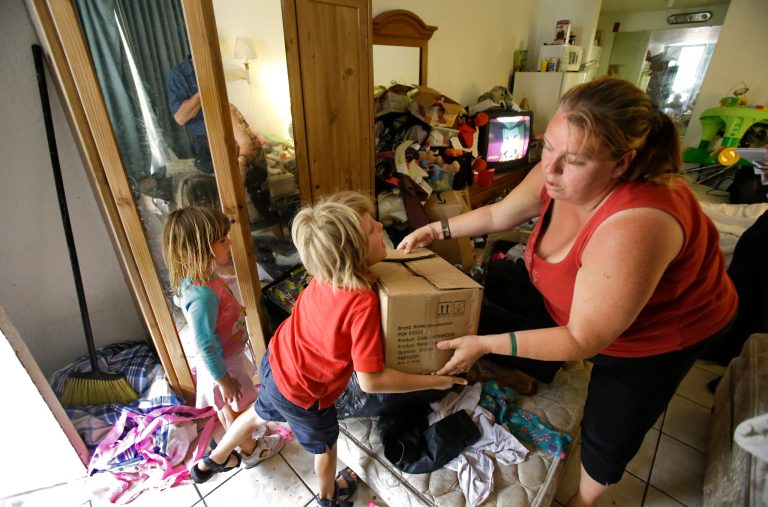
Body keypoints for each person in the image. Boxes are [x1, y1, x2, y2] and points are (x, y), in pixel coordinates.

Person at [398, 77, 737, 507]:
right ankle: (529, 375)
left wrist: (483, 345)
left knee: (612, 423)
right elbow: (503, 212)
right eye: (548, 146)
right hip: (586, 298)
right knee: (539, 305)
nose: (550, 169)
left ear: (622, 163)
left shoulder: (638, 224)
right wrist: (434, 228)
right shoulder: (558, 166)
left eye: (573, 160)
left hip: (665, 332)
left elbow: (583, 338)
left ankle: (585, 500)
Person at [187, 191, 467, 507]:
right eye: (372, 228)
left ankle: (211, 461)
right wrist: (435, 381)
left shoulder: (324, 275)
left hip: (276, 364)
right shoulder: (362, 302)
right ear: (356, 252)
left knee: (255, 415)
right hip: (305, 393)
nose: (380, 227)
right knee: (325, 449)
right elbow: (370, 381)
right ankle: (327, 498)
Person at [162, 206, 283, 469]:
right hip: (223, 364)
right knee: (238, 404)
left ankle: (238, 439)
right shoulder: (202, 297)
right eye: (222, 240)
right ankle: (250, 450)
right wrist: (225, 380)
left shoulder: (198, 276)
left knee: (226, 408)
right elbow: (204, 344)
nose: (229, 242)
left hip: (224, 361)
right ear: (200, 249)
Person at [167, 56, 212, 173]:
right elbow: (181, 118)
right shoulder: (180, 73)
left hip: (237, 132)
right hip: (207, 144)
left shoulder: (224, 61)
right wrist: (205, 88)